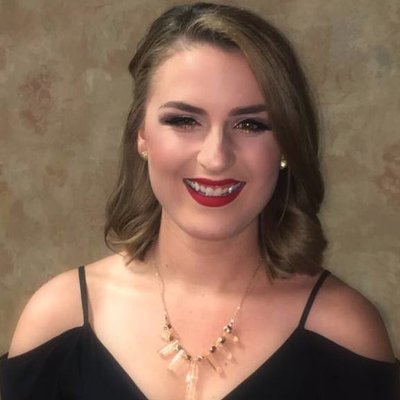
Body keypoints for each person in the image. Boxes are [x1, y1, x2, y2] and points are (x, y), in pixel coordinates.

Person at [0, 2, 399, 399]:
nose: (216, 157)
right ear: (142, 135)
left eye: (250, 124)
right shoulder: (59, 318)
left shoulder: (345, 332)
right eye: (184, 120)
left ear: (286, 145)